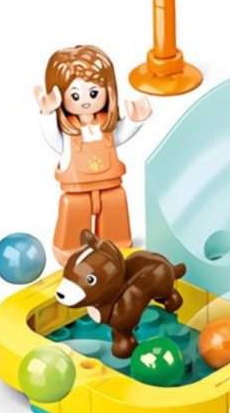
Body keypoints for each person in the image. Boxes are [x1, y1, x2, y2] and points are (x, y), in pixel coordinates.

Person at [35, 45, 151, 263]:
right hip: (76, 189)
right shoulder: (68, 130)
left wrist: (136, 120)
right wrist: (47, 112)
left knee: (115, 206)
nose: (85, 100)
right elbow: (53, 139)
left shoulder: (105, 124)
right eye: (75, 95)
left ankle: (117, 242)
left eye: (94, 92)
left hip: (111, 184)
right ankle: (70, 248)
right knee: (75, 212)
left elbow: (119, 135)